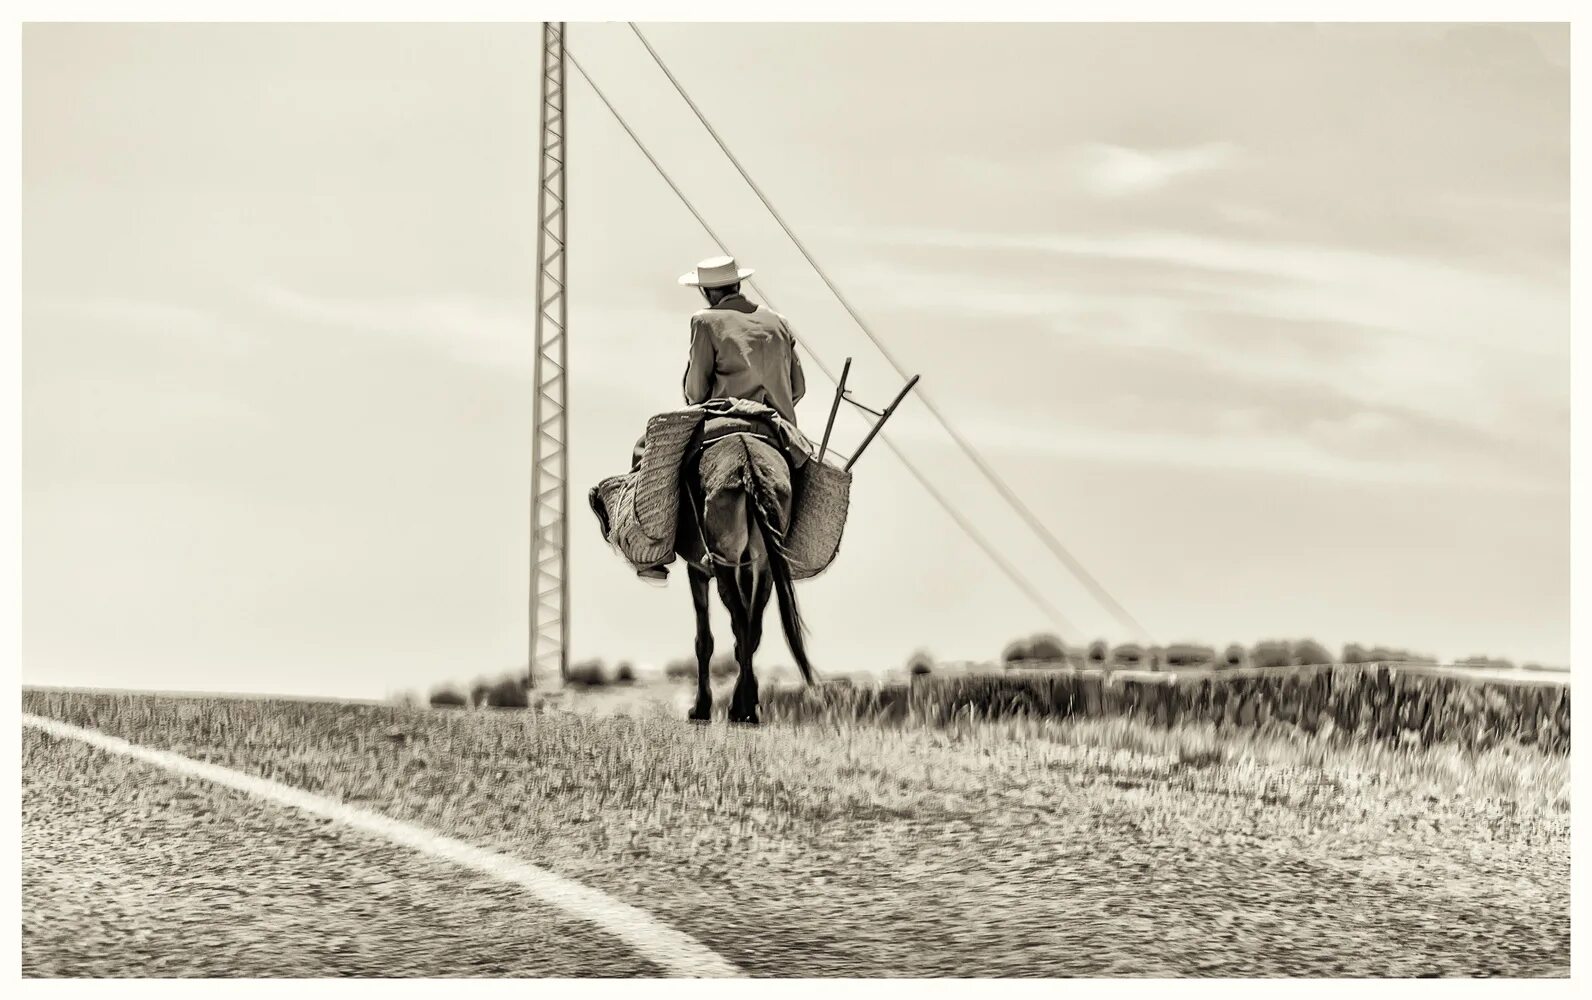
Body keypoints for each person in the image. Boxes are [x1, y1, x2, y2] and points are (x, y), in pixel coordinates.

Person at [632, 255, 807, 580]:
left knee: (648, 450)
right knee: (810, 473)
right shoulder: (778, 321)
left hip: (721, 419)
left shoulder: (705, 321)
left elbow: (696, 392)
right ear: (738, 283)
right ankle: (801, 545)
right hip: (776, 427)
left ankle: (655, 549)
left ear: (707, 293)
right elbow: (798, 387)